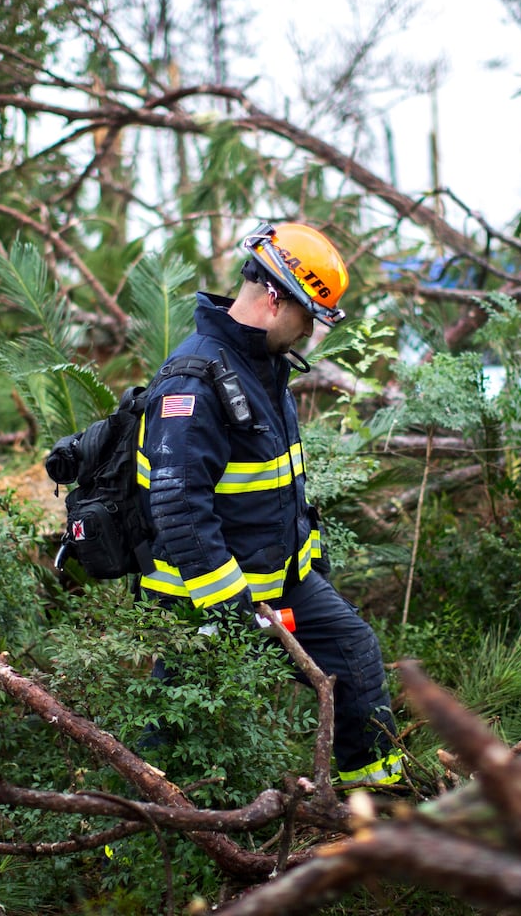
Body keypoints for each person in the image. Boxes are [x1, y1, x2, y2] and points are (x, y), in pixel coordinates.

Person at [137, 221, 404, 788]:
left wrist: (312, 563)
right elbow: (178, 508)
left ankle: (378, 802)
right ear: (275, 297)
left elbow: (278, 487)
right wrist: (228, 606)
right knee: (177, 721)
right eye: (309, 316)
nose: (309, 332)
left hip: (280, 578)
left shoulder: (262, 366)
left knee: (353, 655)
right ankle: (133, 841)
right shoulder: (194, 380)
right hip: (201, 596)